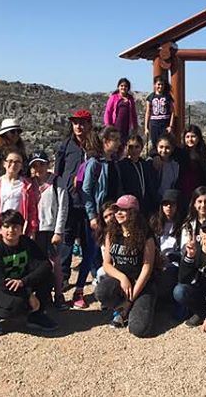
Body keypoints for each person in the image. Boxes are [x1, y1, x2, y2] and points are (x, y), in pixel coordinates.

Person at [0, 210, 57, 336]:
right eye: (6, 226)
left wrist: (24, 282)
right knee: (19, 303)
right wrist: (29, 295)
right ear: (0, 229)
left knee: (48, 278)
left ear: (21, 228)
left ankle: (35, 316)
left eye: (15, 226)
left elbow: (46, 265)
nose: (11, 230)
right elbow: (1, 284)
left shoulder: (26, 243)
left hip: (18, 283)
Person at [94, 195, 157, 335]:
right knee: (101, 292)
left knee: (139, 329)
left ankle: (133, 306)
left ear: (133, 212)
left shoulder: (145, 234)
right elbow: (106, 264)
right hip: (122, 281)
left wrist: (130, 300)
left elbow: (147, 269)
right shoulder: (111, 232)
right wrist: (122, 278)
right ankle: (121, 307)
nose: (118, 213)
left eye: (123, 210)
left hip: (142, 283)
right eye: (116, 210)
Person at [75, 126, 121, 308]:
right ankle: (79, 290)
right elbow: (86, 190)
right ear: (105, 141)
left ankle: (107, 291)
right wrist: (92, 215)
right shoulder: (95, 163)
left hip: (113, 214)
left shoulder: (114, 162)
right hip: (97, 216)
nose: (118, 143)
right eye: (115, 139)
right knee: (91, 253)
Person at [55, 109, 95, 288]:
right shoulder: (66, 146)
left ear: (89, 125)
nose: (79, 126)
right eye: (75, 122)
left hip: (88, 201)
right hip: (69, 200)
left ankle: (94, 274)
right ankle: (64, 276)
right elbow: (58, 172)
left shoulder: (94, 146)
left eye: (82, 122)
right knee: (67, 239)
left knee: (89, 240)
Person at [29, 151, 68, 308]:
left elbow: (63, 208)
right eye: (35, 165)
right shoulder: (30, 183)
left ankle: (58, 295)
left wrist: (59, 231)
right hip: (35, 229)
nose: (39, 168)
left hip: (51, 229)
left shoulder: (57, 182)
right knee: (37, 263)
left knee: (54, 262)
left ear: (48, 164)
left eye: (42, 164)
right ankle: (41, 295)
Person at [0, 149, 39, 244]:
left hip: (19, 232)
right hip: (0, 231)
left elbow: (32, 210)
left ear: (21, 166)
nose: (13, 165)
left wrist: (32, 230)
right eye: (10, 161)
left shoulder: (27, 185)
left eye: (17, 162)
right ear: (4, 163)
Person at [149, 189, 183, 308]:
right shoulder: (154, 222)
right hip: (156, 260)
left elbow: (182, 250)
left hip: (175, 262)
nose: (168, 207)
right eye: (165, 204)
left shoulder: (182, 224)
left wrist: (170, 258)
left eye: (172, 204)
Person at [115, 134, 159, 218]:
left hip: (145, 206)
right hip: (129, 206)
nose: (134, 150)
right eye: (131, 147)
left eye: (137, 147)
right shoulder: (122, 165)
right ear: (127, 148)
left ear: (141, 148)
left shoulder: (145, 165)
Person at [176, 125, 206, 210]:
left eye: (193, 136)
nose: (190, 139)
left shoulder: (204, 153)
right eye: (187, 137)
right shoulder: (179, 152)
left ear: (198, 138)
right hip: (182, 190)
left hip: (198, 191)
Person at [181, 187, 206, 251]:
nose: (203, 205)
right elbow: (183, 249)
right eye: (199, 201)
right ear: (194, 204)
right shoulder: (188, 225)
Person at [145, 76, 175, 154]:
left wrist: (170, 126)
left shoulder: (167, 97)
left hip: (164, 125)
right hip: (154, 125)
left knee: (165, 143)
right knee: (155, 145)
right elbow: (148, 112)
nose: (160, 86)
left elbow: (172, 112)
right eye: (158, 84)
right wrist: (146, 127)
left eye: (162, 84)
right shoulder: (150, 97)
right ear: (155, 85)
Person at [103, 77, 139, 142]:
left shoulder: (130, 99)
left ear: (128, 88)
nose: (123, 87)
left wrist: (135, 127)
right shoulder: (113, 97)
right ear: (118, 87)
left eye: (125, 86)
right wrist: (108, 125)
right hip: (115, 126)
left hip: (126, 127)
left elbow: (134, 114)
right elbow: (108, 112)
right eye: (121, 86)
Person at [151, 133, 179, 201]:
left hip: (167, 201)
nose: (163, 150)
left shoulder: (175, 165)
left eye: (167, 148)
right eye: (161, 147)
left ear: (172, 149)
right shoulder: (151, 163)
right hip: (153, 200)